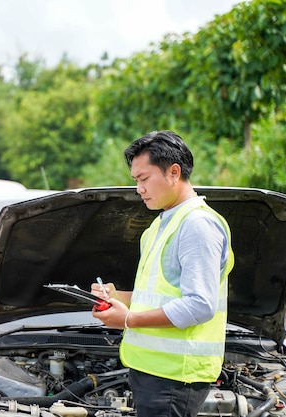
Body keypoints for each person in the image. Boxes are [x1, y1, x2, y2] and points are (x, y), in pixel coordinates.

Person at [91, 130, 234, 417]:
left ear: (173, 172)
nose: (139, 189)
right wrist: (117, 296)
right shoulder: (159, 225)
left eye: (144, 179)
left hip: (177, 378)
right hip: (154, 373)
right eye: (136, 181)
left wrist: (128, 319)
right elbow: (158, 294)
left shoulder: (197, 225)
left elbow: (199, 305)